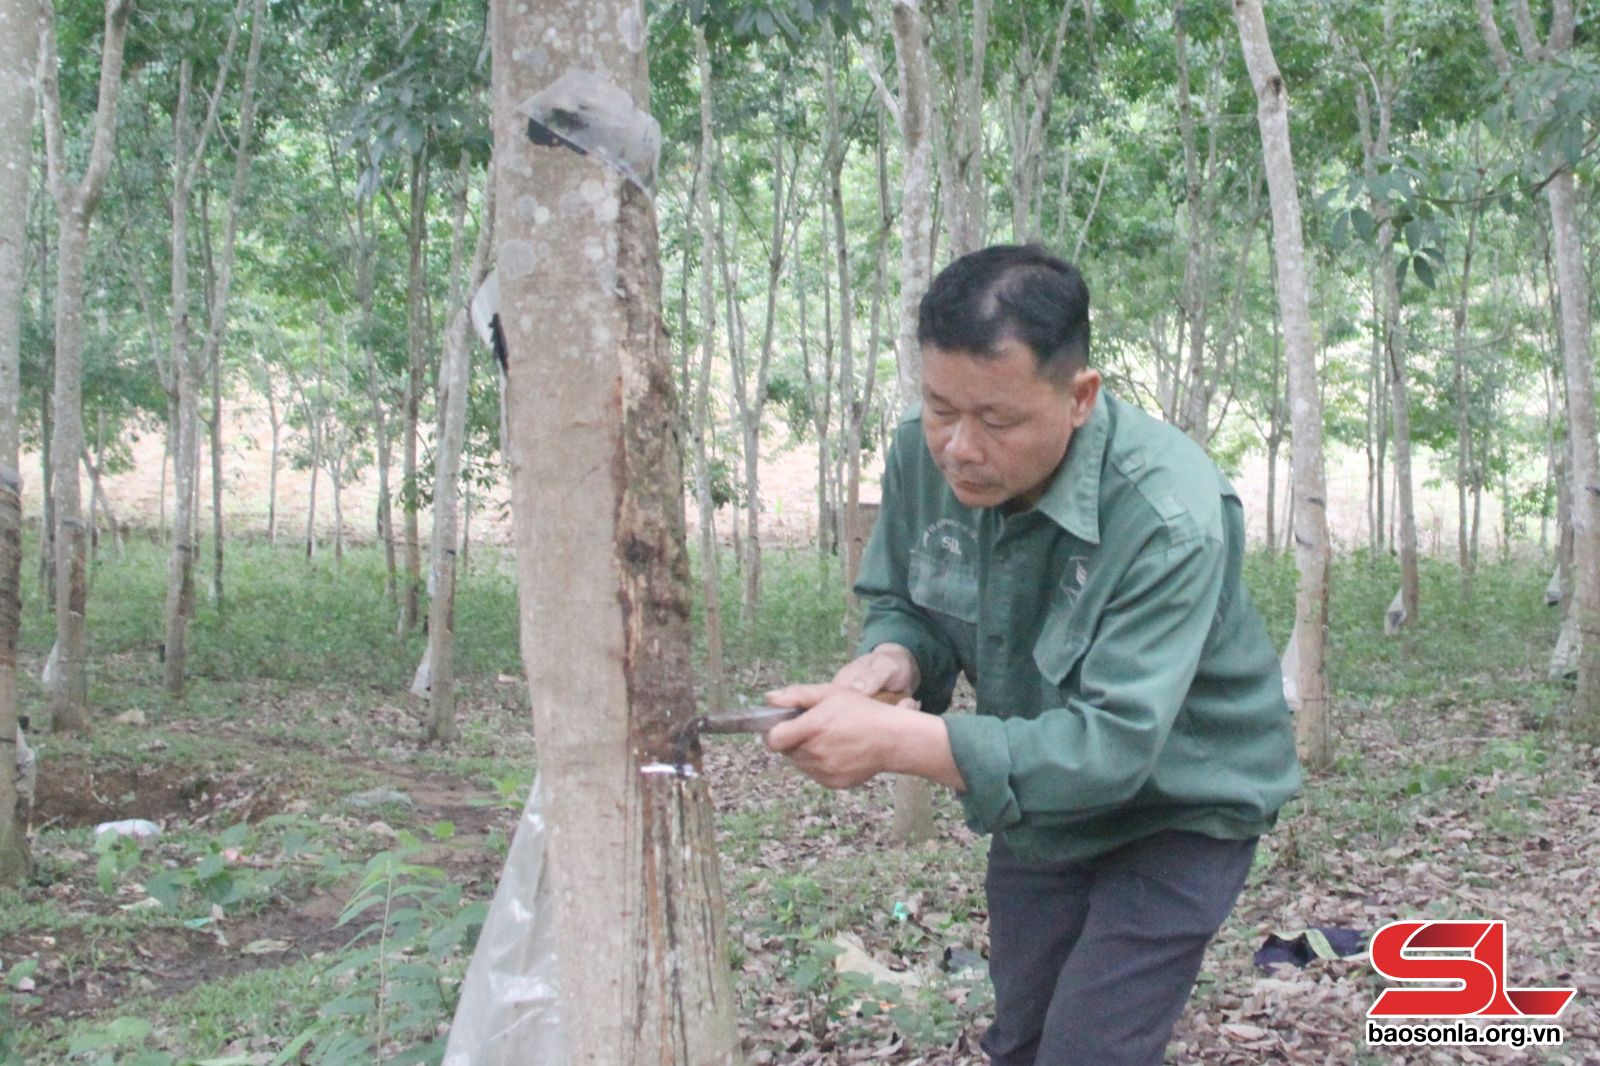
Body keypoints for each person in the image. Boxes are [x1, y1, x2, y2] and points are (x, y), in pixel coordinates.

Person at [764, 244, 1302, 1066]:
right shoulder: (921, 456)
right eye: (941, 408)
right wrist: (893, 663)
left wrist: (901, 745)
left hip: (1183, 804)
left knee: (1090, 1050)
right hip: (1040, 797)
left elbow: (1115, 746)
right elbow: (906, 601)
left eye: (999, 420)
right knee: (1021, 1038)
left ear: (1080, 396)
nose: (960, 449)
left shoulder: (1167, 513)